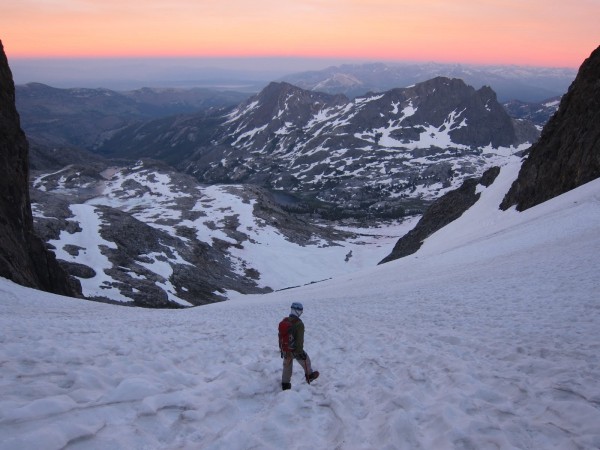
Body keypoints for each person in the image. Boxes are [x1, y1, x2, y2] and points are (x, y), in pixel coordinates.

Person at [280, 302, 319, 390]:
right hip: (295, 349)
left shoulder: (284, 321)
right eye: (301, 311)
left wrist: (282, 349)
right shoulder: (299, 324)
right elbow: (299, 341)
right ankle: (309, 375)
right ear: (297, 311)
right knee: (306, 360)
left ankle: (285, 385)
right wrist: (300, 352)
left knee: (287, 366)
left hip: (285, 348)